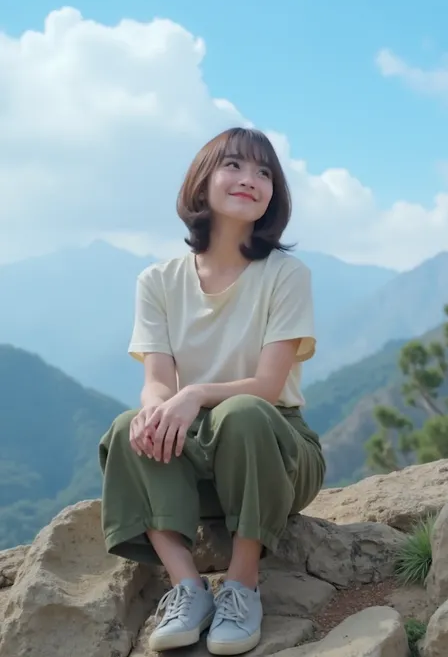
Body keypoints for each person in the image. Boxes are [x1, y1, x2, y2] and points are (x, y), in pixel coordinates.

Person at [99, 127, 325, 656]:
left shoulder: (286, 275)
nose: (251, 180)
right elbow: (157, 381)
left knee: (242, 412)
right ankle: (189, 588)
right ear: (202, 182)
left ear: (275, 193)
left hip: (276, 449)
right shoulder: (157, 280)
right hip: (203, 454)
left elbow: (268, 387)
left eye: (264, 172)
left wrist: (195, 393)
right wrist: (157, 411)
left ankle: (243, 587)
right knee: (128, 426)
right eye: (235, 166)